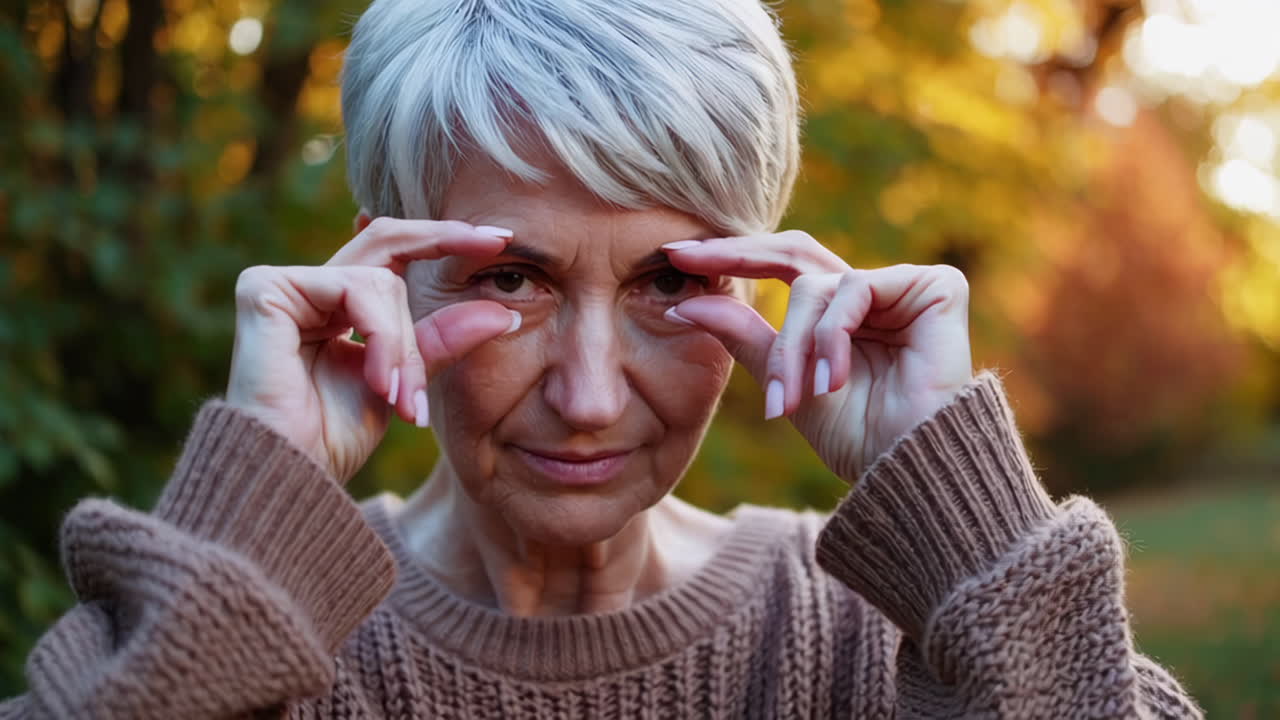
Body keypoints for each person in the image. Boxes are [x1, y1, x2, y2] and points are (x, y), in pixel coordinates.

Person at [1, 0, 1202, 717]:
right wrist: (246, 529)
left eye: (668, 282)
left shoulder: (870, 637)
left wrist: (968, 527)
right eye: (509, 279)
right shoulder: (263, 643)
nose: (586, 398)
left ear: (757, 284)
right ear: (385, 274)